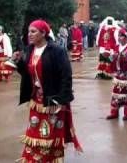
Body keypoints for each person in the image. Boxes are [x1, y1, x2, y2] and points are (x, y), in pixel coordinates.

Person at [13, 20, 82, 162]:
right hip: (36, 101)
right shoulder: (29, 49)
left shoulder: (57, 50)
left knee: (49, 134)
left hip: (53, 100)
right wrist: (18, 62)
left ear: (43, 33)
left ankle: (49, 159)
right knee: (34, 131)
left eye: (33, 31)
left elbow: (66, 76)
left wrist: (61, 100)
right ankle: (34, 158)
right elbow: (26, 73)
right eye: (29, 32)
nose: (29, 35)